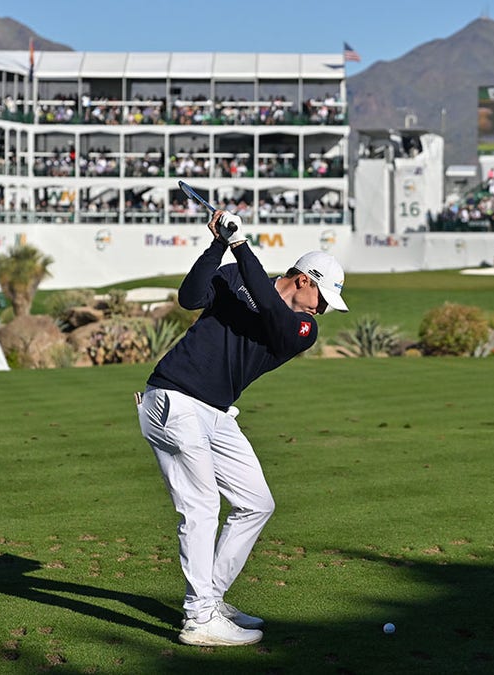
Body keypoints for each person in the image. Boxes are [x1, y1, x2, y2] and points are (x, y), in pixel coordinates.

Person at [137, 209, 348, 647]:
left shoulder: (303, 329)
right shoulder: (234, 275)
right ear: (304, 279)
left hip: (214, 412)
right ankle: (199, 620)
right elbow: (190, 297)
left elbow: (269, 309)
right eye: (323, 296)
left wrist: (240, 244)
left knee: (257, 502)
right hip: (174, 398)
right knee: (200, 506)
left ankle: (210, 597)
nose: (324, 308)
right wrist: (219, 243)